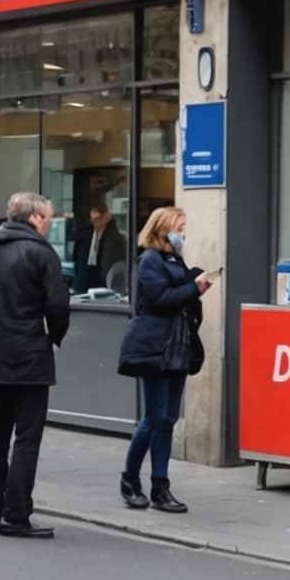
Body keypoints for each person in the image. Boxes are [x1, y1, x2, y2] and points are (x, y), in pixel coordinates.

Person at [0, 192, 71, 539]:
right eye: (47, 218)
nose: (47, 225)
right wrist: (53, 338)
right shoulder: (41, 253)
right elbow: (58, 306)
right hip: (29, 357)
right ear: (34, 218)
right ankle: (16, 514)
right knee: (26, 437)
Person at [119, 207, 208, 514]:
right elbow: (160, 298)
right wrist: (193, 288)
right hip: (154, 346)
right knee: (154, 417)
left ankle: (160, 486)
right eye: (179, 227)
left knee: (168, 419)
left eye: (184, 227)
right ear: (162, 228)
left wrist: (195, 282)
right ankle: (130, 478)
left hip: (177, 345)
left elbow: (178, 294)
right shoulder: (149, 260)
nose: (183, 233)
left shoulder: (173, 259)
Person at [72, 204, 129, 293]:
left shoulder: (113, 235)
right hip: (86, 275)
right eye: (92, 219)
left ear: (106, 218)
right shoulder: (86, 232)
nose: (94, 222)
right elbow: (77, 256)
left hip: (104, 276)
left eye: (97, 219)